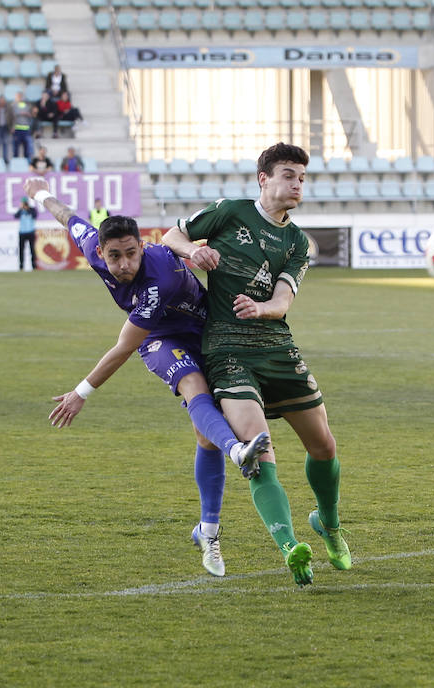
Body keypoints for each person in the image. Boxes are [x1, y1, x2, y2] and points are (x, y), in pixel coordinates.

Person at [22, 176, 271, 578]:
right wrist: (38, 192)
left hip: (205, 334)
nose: (123, 265)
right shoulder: (93, 247)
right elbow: (70, 218)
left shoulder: (159, 280)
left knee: (204, 433)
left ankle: (207, 530)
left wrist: (81, 392)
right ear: (100, 252)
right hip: (158, 339)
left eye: (132, 254)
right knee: (193, 390)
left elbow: (120, 347)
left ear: (142, 246)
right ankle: (238, 452)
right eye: (115, 256)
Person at [161, 142, 352, 588]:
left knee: (323, 446)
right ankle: (291, 548)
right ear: (264, 178)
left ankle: (330, 525)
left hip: (275, 345)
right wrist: (193, 251)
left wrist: (263, 308)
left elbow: (283, 299)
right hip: (227, 350)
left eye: (302, 178)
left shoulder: (298, 242)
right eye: (289, 175)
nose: (297, 184)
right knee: (258, 451)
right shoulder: (230, 212)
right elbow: (170, 235)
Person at [15, 196, 38, 271]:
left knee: (32, 250)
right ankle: (21, 266)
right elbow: (16, 216)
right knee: (21, 250)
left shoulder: (32, 210)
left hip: (30, 232)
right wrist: (21, 209)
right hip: (22, 233)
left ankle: (34, 266)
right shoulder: (21, 211)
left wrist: (27, 209)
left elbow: (35, 216)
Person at [11, 92, 35, 161]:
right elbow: (11, 116)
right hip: (16, 130)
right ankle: (15, 163)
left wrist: (28, 114)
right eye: (18, 96)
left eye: (20, 96)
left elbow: (32, 116)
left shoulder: (27, 106)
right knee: (15, 149)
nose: (19, 98)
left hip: (26, 129)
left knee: (27, 149)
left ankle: (26, 163)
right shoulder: (13, 105)